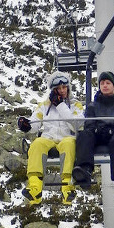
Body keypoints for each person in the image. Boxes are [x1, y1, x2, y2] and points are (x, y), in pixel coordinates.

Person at [17, 71, 84, 205]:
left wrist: (60, 105)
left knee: (69, 143)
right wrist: (26, 125)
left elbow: (76, 125)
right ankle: (35, 188)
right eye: (58, 89)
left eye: (64, 87)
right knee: (37, 144)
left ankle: (67, 187)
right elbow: (35, 122)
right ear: (53, 90)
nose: (62, 91)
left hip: (67, 136)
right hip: (49, 137)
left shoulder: (76, 105)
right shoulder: (44, 106)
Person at [72, 71, 114, 203]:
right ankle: (84, 171)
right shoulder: (93, 106)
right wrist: (97, 130)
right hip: (100, 134)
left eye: (108, 83)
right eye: (102, 83)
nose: (105, 86)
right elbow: (89, 124)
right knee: (84, 135)